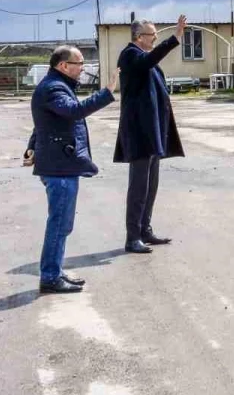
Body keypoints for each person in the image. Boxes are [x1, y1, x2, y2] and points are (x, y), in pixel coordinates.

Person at [24, 47, 120, 294]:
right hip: (59, 168)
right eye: (79, 63)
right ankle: (50, 277)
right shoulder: (53, 88)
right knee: (58, 224)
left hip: (60, 164)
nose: (83, 68)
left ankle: (54, 271)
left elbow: (44, 124)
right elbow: (73, 111)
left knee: (62, 224)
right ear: (63, 65)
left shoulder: (56, 85)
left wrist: (32, 146)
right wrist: (106, 93)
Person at [114, 15, 186, 254]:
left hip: (153, 131)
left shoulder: (145, 59)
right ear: (138, 37)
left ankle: (145, 230)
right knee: (138, 187)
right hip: (139, 132)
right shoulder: (131, 55)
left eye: (156, 34)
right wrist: (174, 38)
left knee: (151, 184)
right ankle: (132, 237)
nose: (155, 37)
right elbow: (149, 60)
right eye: (151, 34)